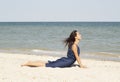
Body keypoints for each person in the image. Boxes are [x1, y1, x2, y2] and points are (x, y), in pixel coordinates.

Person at [21, 30, 86, 68]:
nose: (80, 35)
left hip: (66, 60)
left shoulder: (72, 44)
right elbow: (77, 57)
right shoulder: (74, 45)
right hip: (66, 62)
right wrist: (81, 65)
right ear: (75, 37)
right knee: (47, 65)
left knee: (49, 63)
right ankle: (28, 63)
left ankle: (30, 62)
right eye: (79, 34)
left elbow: (74, 56)